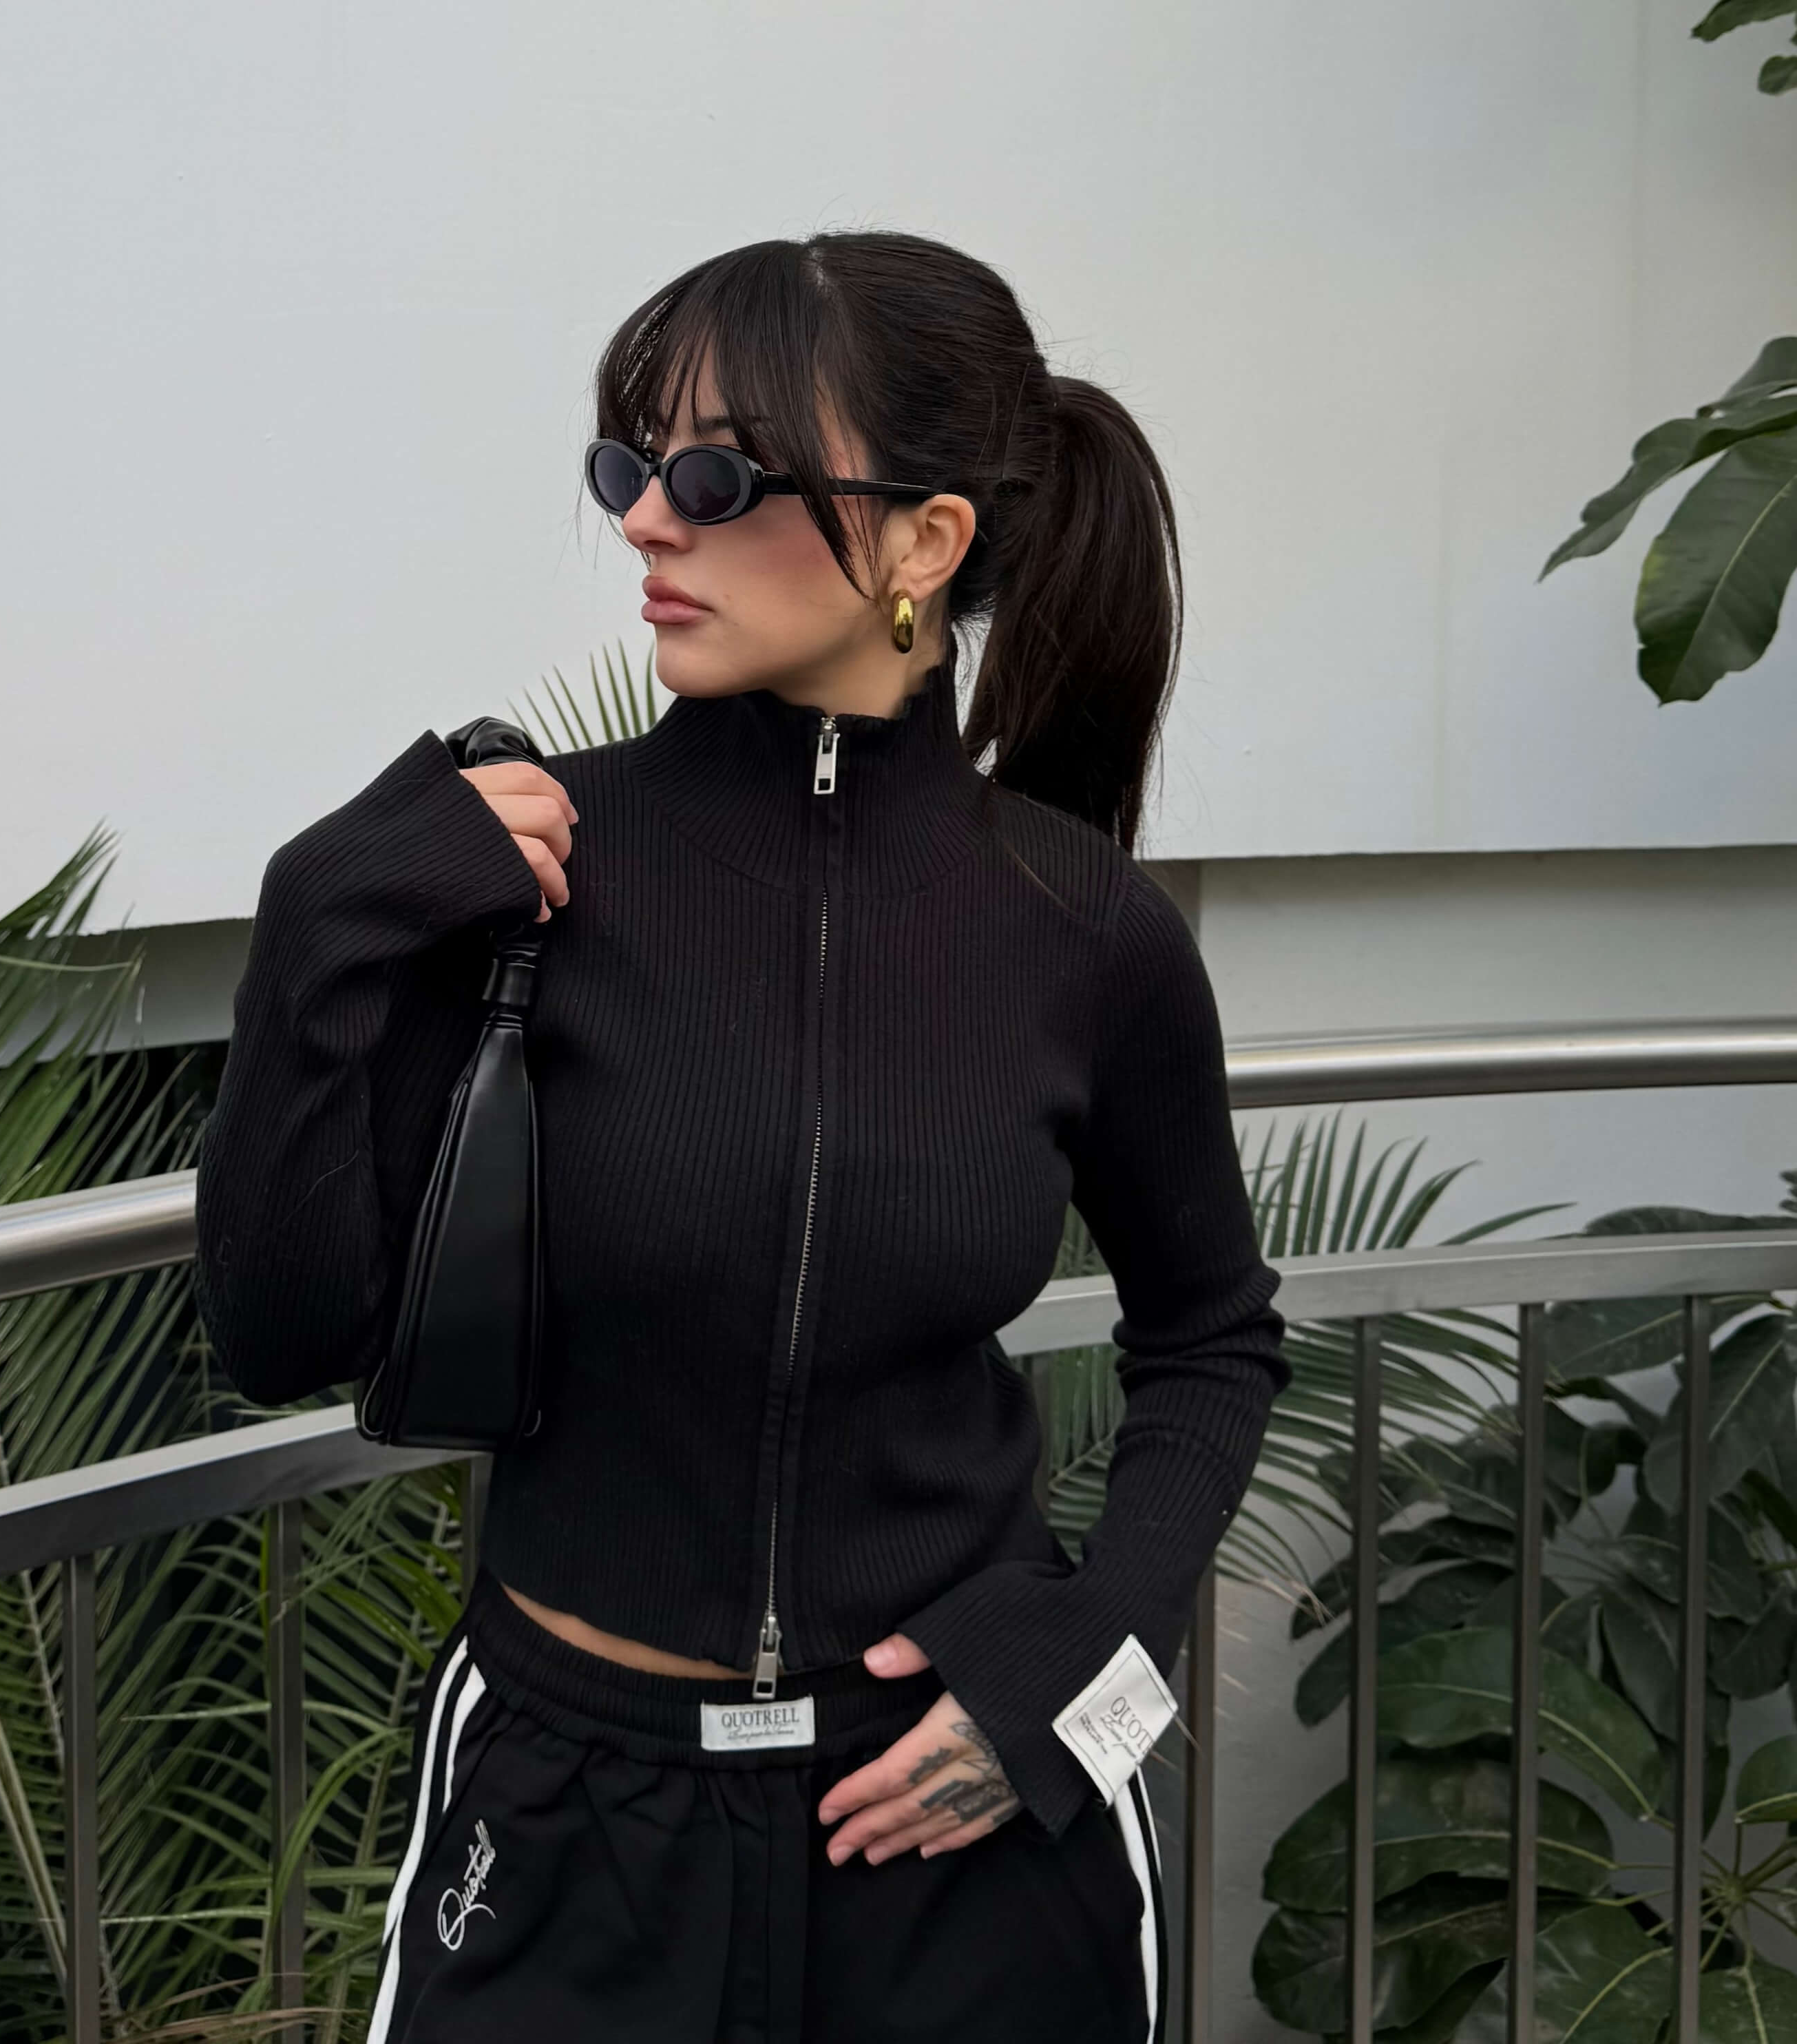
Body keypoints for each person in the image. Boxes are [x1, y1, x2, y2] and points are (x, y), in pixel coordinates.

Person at [193, 229, 1288, 2044]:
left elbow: (1214, 1341)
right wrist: (317, 925)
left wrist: (1085, 1658)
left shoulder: (1084, 930)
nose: (645, 521)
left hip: (962, 1829)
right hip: (569, 1817)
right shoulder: (524, 871)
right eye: (629, 466)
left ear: (924, 545)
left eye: (716, 479)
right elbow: (277, 1334)